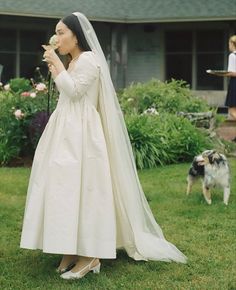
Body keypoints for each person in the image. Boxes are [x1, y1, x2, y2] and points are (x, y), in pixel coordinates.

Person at [20, 12, 187, 280]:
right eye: (56, 32)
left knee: (84, 187)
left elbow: (74, 92)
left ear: (77, 35)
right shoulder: (73, 61)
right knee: (62, 187)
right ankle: (69, 247)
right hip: (64, 129)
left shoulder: (88, 60)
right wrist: (58, 67)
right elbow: (66, 92)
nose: (57, 37)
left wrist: (57, 66)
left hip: (81, 133)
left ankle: (90, 255)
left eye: (62, 32)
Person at [209, 35, 236, 120]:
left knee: (232, 111)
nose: (229, 45)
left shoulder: (232, 56)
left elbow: (232, 73)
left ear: (232, 43)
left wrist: (217, 73)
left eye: (229, 43)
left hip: (234, 84)